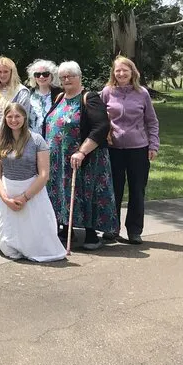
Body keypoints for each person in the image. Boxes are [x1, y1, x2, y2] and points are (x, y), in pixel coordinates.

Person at [44, 62, 118, 249]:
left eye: (70, 76)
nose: (66, 80)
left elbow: (101, 127)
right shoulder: (59, 96)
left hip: (86, 159)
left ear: (79, 77)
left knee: (86, 193)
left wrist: (82, 151)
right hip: (59, 160)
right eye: (63, 77)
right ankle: (65, 228)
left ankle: (91, 233)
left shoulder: (89, 98)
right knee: (63, 192)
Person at [0, 103, 66, 262]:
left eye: (17, 116)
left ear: (24, 117)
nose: (13, 120)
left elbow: (44, 174)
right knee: (9, 230)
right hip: (8, 190)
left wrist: (25, 197)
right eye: (9, 116)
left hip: (31, 189)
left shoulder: (37, 140)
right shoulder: (1, 142)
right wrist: (4, 197)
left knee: (35, 230)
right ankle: (14, 248)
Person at [101, 56, 160, 244]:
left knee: (137, 190)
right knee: (113, 190)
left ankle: (134, 230)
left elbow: (152, 121)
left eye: (125, 70)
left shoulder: (142, 93)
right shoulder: (107, 92)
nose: (121, 73)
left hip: (138, 149)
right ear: (113, 73)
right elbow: (100, 118)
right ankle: (112, 227)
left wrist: (154, 145)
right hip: (113, 149)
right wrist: (105, 134)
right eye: (118, 70)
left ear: (132, 72)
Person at [25, 59, 62, 136]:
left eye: (45, 74)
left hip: (53, 138)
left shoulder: (60, 94)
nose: (41, 77)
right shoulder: (28, 94)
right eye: (37, 74)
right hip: (32, 140)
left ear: (52, 75)